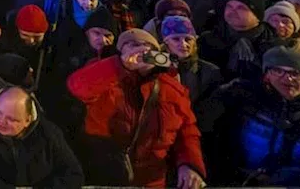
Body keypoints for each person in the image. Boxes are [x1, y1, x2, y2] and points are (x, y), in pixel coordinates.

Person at [66, 29, 206, 188]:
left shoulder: (172, 88)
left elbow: (186, 131)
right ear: (120, 51)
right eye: (133, 45)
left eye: (148, 47)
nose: (142, 50)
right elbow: (77, 87)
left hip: (152, 181)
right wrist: (120, 66)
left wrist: (189, 164)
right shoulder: (105, 75)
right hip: (104, 176)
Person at [207, 46, 300, 187]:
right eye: (278, 71)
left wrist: (275, 181)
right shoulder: (243, 103)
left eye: (297, 73)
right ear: (267, 75)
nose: (288, 79)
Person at [0, 85, 84, 188]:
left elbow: (73, 174)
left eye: (11, 119)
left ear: (28, 120)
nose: (1, 121)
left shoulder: (49, 133)